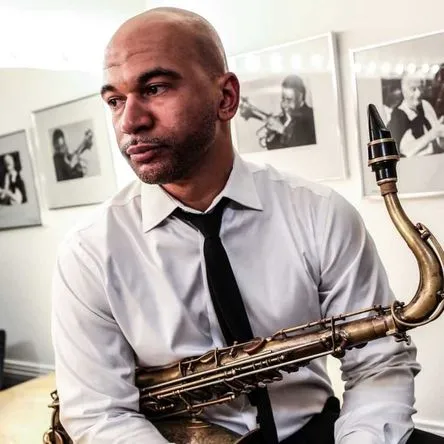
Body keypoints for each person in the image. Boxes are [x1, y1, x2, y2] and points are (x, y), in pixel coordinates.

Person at [51, 7, 444, 444]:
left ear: (226, 97)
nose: (129, 122)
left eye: (155, 88)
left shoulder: (320, 212)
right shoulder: (89, 251)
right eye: (115, 100)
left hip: (314, 431)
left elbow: (378, 365)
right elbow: (100, 413)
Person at [388, 73, 444, 157]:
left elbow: (439, 143)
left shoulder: (426, 105)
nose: (419, 93)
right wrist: (433, 134)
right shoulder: (398, 116)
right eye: (413, 89)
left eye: (420, 88)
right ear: (404, 91)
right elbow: (403, 152)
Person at [264, 74, 317, 149]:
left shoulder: (312, 116)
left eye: (289, 100)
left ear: (300, 97)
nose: (284, 105)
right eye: (283, 99)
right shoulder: (282, 118)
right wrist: (271, 135)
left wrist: (282, 130)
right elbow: (274, 149)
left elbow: (306, 146)